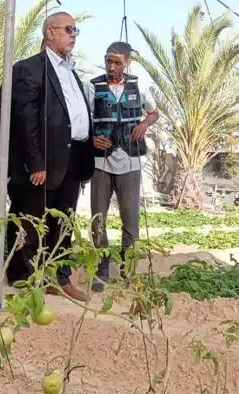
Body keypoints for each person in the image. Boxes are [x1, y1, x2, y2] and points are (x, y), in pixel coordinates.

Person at [0, 11, 94, 302]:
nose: (74, 34)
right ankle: (24, 278)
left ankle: (58, 277)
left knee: (63, 222)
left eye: (76, 30)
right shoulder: (29, 69)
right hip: (42, 163)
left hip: (72, 159)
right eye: (69, 29)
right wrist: (35, 162)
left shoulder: (71, 71)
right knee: (30, 220)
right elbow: (26, 119)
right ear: (50, 32)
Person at [86, 41, 159, 291]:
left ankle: (128, 269)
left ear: (128, 62)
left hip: (130, 161)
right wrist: (92, 137)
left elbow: (154, 113)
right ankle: (102, 268)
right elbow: (82, 119)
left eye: (117, 62)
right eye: (109, 61)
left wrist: (144, 124)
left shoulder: (139, 86)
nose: (112, 66)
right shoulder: (93, 86)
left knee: (131, 220)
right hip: (100, 162)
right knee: (98, 219)